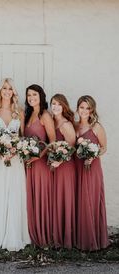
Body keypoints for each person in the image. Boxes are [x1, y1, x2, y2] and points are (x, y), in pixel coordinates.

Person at [0, 78, 30, 252]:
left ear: (13, 92)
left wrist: (14, 150)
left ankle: (13, 235)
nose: (7, 91)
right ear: (0, 91)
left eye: (10, 88)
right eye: (4, 88)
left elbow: (22, 137)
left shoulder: (19, 111)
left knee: (13, 194)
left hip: (14, 159)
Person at [75, 95, 109, 251]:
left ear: (92, 110)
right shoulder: (75, 126)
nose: (84, 110)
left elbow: (103, 147)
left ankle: (93, 239)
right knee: (78, 200)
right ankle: (78, 238)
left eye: (87, 108)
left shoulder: (96, 127)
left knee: (90, 200)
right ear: (78, 108)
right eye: (81, 107)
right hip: (76, 167)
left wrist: (93, 156)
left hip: (91, 168)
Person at [24, 84, 55, 247]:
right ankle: (32, 234)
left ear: (41, 96)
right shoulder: (29, 114)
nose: (31, 98)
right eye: (29, 95)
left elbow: (52, 141)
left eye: (34, 94)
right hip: (28, 164)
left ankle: (43, 235)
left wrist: (38, 157)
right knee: (31, 198)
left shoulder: (45, 115)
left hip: (41, 164)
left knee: (41, 198)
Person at [50, 93, 76, 249]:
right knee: (56, 200)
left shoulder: (66, 124)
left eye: (59, 104)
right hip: (54, 166)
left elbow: (72, 147)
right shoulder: (52, 121)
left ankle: (66, 239)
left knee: (64, 199)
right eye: (53, 103)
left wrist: (60, 160)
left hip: (65, 167)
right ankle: (56, 236)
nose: (56, 107)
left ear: (64, 106)